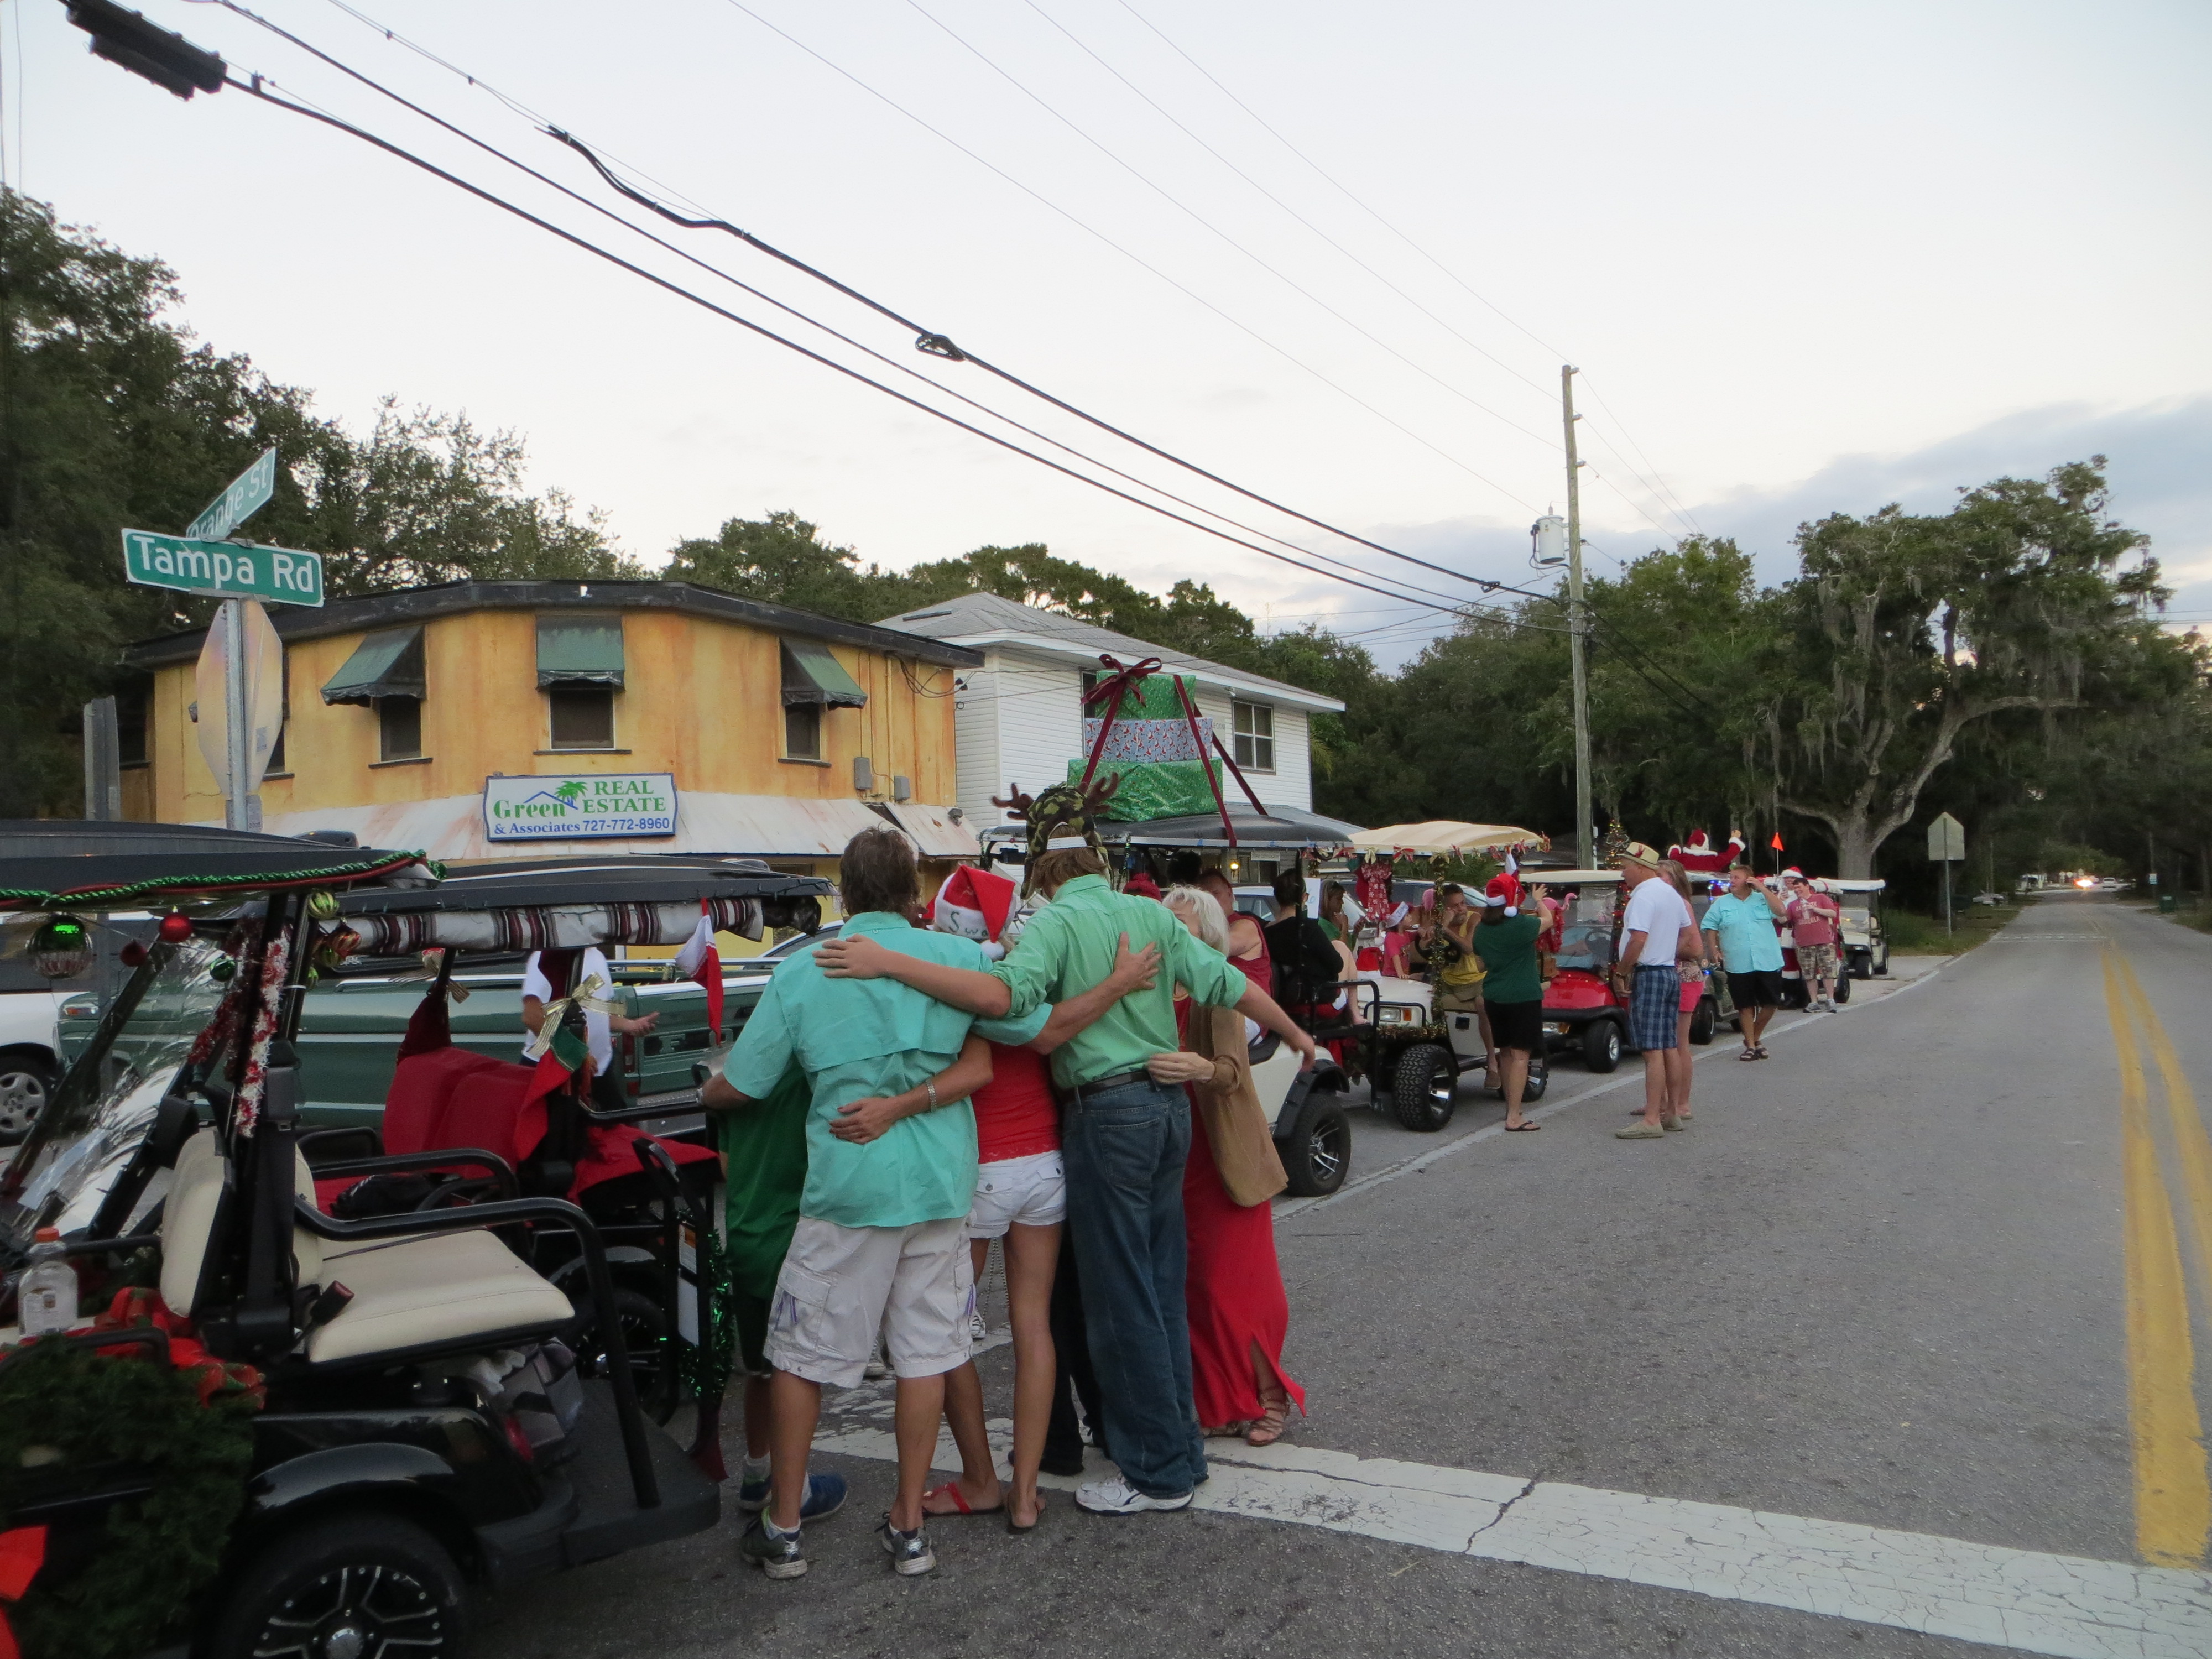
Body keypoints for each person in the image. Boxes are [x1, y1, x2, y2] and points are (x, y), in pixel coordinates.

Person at [815, 779, 1316, 1518]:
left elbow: (1000, 1001)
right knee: (1160, 1292)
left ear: (1045, 868)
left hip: (1107, 1115)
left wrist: (891, 963)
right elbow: (1226, 984)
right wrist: (1300, 1036)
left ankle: (1157, 1474)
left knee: (1120, 1305)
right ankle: (1180, 1452)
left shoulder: (1050, 926)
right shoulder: (1148, 916)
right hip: (1166, 1114)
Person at [702, 827, 1103, 1581]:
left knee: (799, 1358)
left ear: (846, 895)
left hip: (849, 1189)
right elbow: (1030, 1025)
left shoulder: (805, 971)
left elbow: (747, 1084)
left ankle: (783, 1527)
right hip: (941, 1186)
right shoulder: (956, 957)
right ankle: (910, 1525)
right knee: (926, 1355)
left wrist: (708, 1089)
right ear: (914, 893)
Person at [917, 867, 1161, 1534]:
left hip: (975, 1171)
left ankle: (978, 1477)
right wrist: (1116, 983)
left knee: (945, 1334)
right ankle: (1026, 1493)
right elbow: (1053, 1035)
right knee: (1034, 1328)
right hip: (1043, 1165)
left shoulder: (949, 983)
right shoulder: (1035, 969)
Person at [1154, 885, 1305, 1446]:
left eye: (1185, 927)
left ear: (1208, 938)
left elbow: (1233, 1074)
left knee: (1238, 1285)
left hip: (1221, 1157)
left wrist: (1196, 1067)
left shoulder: (1213, 986)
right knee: (1192, 1288)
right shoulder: (1146, 989)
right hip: (1172, 1156)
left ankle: (1270, 1396)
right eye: (1167, 923)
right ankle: (1221, 1402)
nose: (1173, 934)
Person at [1614, 843, 1695, 1139]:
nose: (1623, 871)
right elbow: (1688, 932)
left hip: (1649, 973)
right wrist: (1666, 950)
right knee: (1669, 1046)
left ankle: (1651, 1118)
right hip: (1669, 972)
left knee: (1651, 1051)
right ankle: (1672, 1112)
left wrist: (1622, 970)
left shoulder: (1644, 896)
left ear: (1640, 867)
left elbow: (1637, 939)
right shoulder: (1670, 893)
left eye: (1626, 865)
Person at [520, 945, 659, 1115]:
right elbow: (532, 1016)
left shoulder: (597, 956)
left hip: (597, 1071)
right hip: (553, 1073)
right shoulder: (546, 956)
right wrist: (578, 1054)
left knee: (614, 1132)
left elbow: (597, 1012)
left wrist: (631, 1025)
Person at [1473, 874, 1548, 1131]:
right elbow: (1548, 921)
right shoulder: (1521, 925)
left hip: (1494, 996)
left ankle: (1510, 1108)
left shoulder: (1482, 928)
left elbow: (1481, 963)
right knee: (1520, 1056)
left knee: (1504, 1052)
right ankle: (1514, 1116)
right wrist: (1539, 901)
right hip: (1522, 996)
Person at [1703, 863, 1788, 1060]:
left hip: (1767, 959)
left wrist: (1762, 888)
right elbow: (1710, 926)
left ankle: (1755, 1036)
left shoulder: (1762, 899)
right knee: (1745, 1005)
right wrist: (1714, 949)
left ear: (1748, 880)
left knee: (1771, 1002)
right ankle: (1751, 1045)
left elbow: (1781, 911)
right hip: (1738, 961)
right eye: (1731, 878)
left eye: (1736, 878)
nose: (1732, 882)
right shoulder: (1722, 903)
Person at [1416, 884, 1493, 1066]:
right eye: (1456, 906)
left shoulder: (1474, 919)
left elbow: (1468, 948)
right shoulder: (1440, 921)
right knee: (1423, 1004)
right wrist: (1440, 925)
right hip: (1448, 981)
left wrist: (1446, 930)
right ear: (1446, 908)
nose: (1462, 909)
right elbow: (1424, 947)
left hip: (1475, 979)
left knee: (1483, 1005)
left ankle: (1492, 1060)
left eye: (1463, 904)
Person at [1657, 858, 1705, 1123]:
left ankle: (1682, 1102)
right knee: (1661, 1043)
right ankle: (1660, 1100)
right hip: (1666, 975)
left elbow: (1696, 949)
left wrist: (1661, 949)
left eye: (1662, 876)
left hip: (1684, 976)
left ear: (1674, 879)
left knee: (1678, 1043)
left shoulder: (1681, 905)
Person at [1196, 868, 1271, 990]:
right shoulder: (1203, 930)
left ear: (1230, 893)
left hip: (1246, 1006)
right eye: (1205, 898)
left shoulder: (1246, 925)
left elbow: (1223, 946)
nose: (1211, 902)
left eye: (1216, 894)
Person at [1784, 870, 1844, 1012]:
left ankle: (1830, 999)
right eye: (1795, 888)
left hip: (1824, 942)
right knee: (1808, 974)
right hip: (1804, 944)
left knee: (1827, 971)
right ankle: (1813, 1002)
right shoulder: (1793, 905)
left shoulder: (1820, 898)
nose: (1797, 890)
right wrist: (1781, 904)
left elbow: (1832, 913)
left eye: (1799, 887)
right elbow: (1786, 921)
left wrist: (1814, 909)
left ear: (1807, 886)